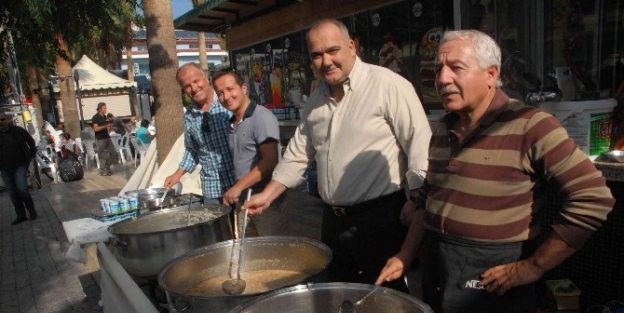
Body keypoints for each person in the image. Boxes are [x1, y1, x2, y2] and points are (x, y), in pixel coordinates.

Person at [375, 30, 615, 313]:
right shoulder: (442, 128)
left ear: (491, 74)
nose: (442, 79)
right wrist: (406, 253)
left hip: (494, 281)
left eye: (456, 68)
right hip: (439, 270)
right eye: (439, 69)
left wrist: (534, 266)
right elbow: (428, 199)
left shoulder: (532, 125)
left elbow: (594, 199)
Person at [243, 19, 431, 292]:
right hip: (332, 220)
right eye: (317, 55)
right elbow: (297, 155)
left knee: (382, 299)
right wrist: (268, 194)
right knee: (339, 294)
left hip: (379, 220)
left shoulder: (388, 85)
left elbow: (419, 144)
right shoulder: (316, 99)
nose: (326, 61)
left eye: (333, 50)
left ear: (352, 47)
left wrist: (417, 198)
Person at [214, 69, 290, 237]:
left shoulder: (261, 117)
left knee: (273, 255)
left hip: (267, 200)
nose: (226, 96)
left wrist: (237, 187)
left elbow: (270, 161)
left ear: (243, 88)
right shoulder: (231, 124)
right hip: (243, 201)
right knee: (249, 254)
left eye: (230, 89)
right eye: (220, 93)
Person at [163, 63, 236, 205]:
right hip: (212, 190)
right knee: (217, 227)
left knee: (243, 226)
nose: (194, 88)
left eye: (196, 81)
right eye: (187, 86)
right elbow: (193, 150)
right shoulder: (189, 117)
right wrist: (177, 174)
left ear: (206, 78)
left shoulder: (228, 103)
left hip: (238, 183)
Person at [0, 111, 38, 225]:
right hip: (4, 168)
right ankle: (20, 214)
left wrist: (31, 156)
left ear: (7, 119)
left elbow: (31, 142)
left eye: (2, 119)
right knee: (12, 192)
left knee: (22, 189)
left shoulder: (18, 131)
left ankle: (31, 211)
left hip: (20, 165)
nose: (1, 122)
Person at [91, 102, 116, 176]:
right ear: (100, 109)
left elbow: (106, 126)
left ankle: (106, 167)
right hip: (100, 138)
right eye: (104, 108)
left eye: (105, 108)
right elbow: (96, 129)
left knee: (113, 152)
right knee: (102, 155)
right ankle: (103, 170)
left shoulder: (104, 116)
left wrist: (109, 127)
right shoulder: (95, 117)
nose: (106, 109)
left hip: (107, 137)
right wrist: (105, 126)